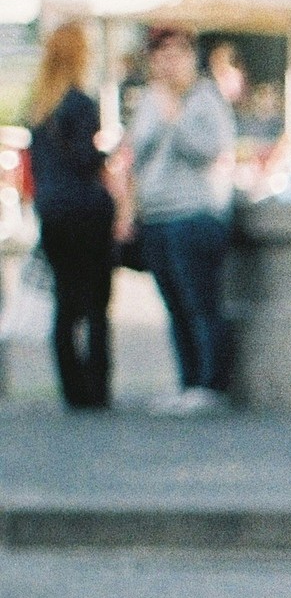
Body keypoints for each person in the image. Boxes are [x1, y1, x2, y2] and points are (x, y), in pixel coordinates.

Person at [121, 28, 234, 415]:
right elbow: (138, 155)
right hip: (155, 215)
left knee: (200, 301)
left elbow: (209, 150)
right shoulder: (149, 100)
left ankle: (210, 383)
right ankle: (187, 381)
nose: (168, 63)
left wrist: (177, 118)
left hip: (193, 214)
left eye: (177, 54)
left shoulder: (204, 98)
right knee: (174, 305)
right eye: (160, 55)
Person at [19, 22, 117, 413]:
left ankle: (71, 388)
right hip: (87, 212)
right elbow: (84, 161)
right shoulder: (80, 103)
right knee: (95, 303)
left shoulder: (39, 107)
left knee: (65, 302)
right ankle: (96, 386)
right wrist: (107, 153)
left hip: (53, 212)